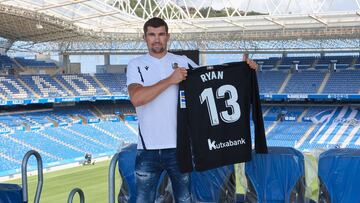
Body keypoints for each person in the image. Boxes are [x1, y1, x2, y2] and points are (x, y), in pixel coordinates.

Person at [126, 17, 258, 203]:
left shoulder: (182, 61)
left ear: (168, 36)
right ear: (145, 37)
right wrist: (171, 80)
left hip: (180, 149)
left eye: (161, 34)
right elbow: (137, 98)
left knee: (184, 199)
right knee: (143, 201)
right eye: (152, 35)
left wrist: (244, 69)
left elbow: (213, 79)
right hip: (148, 150)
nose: (157, 39)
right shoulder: (136, 64)